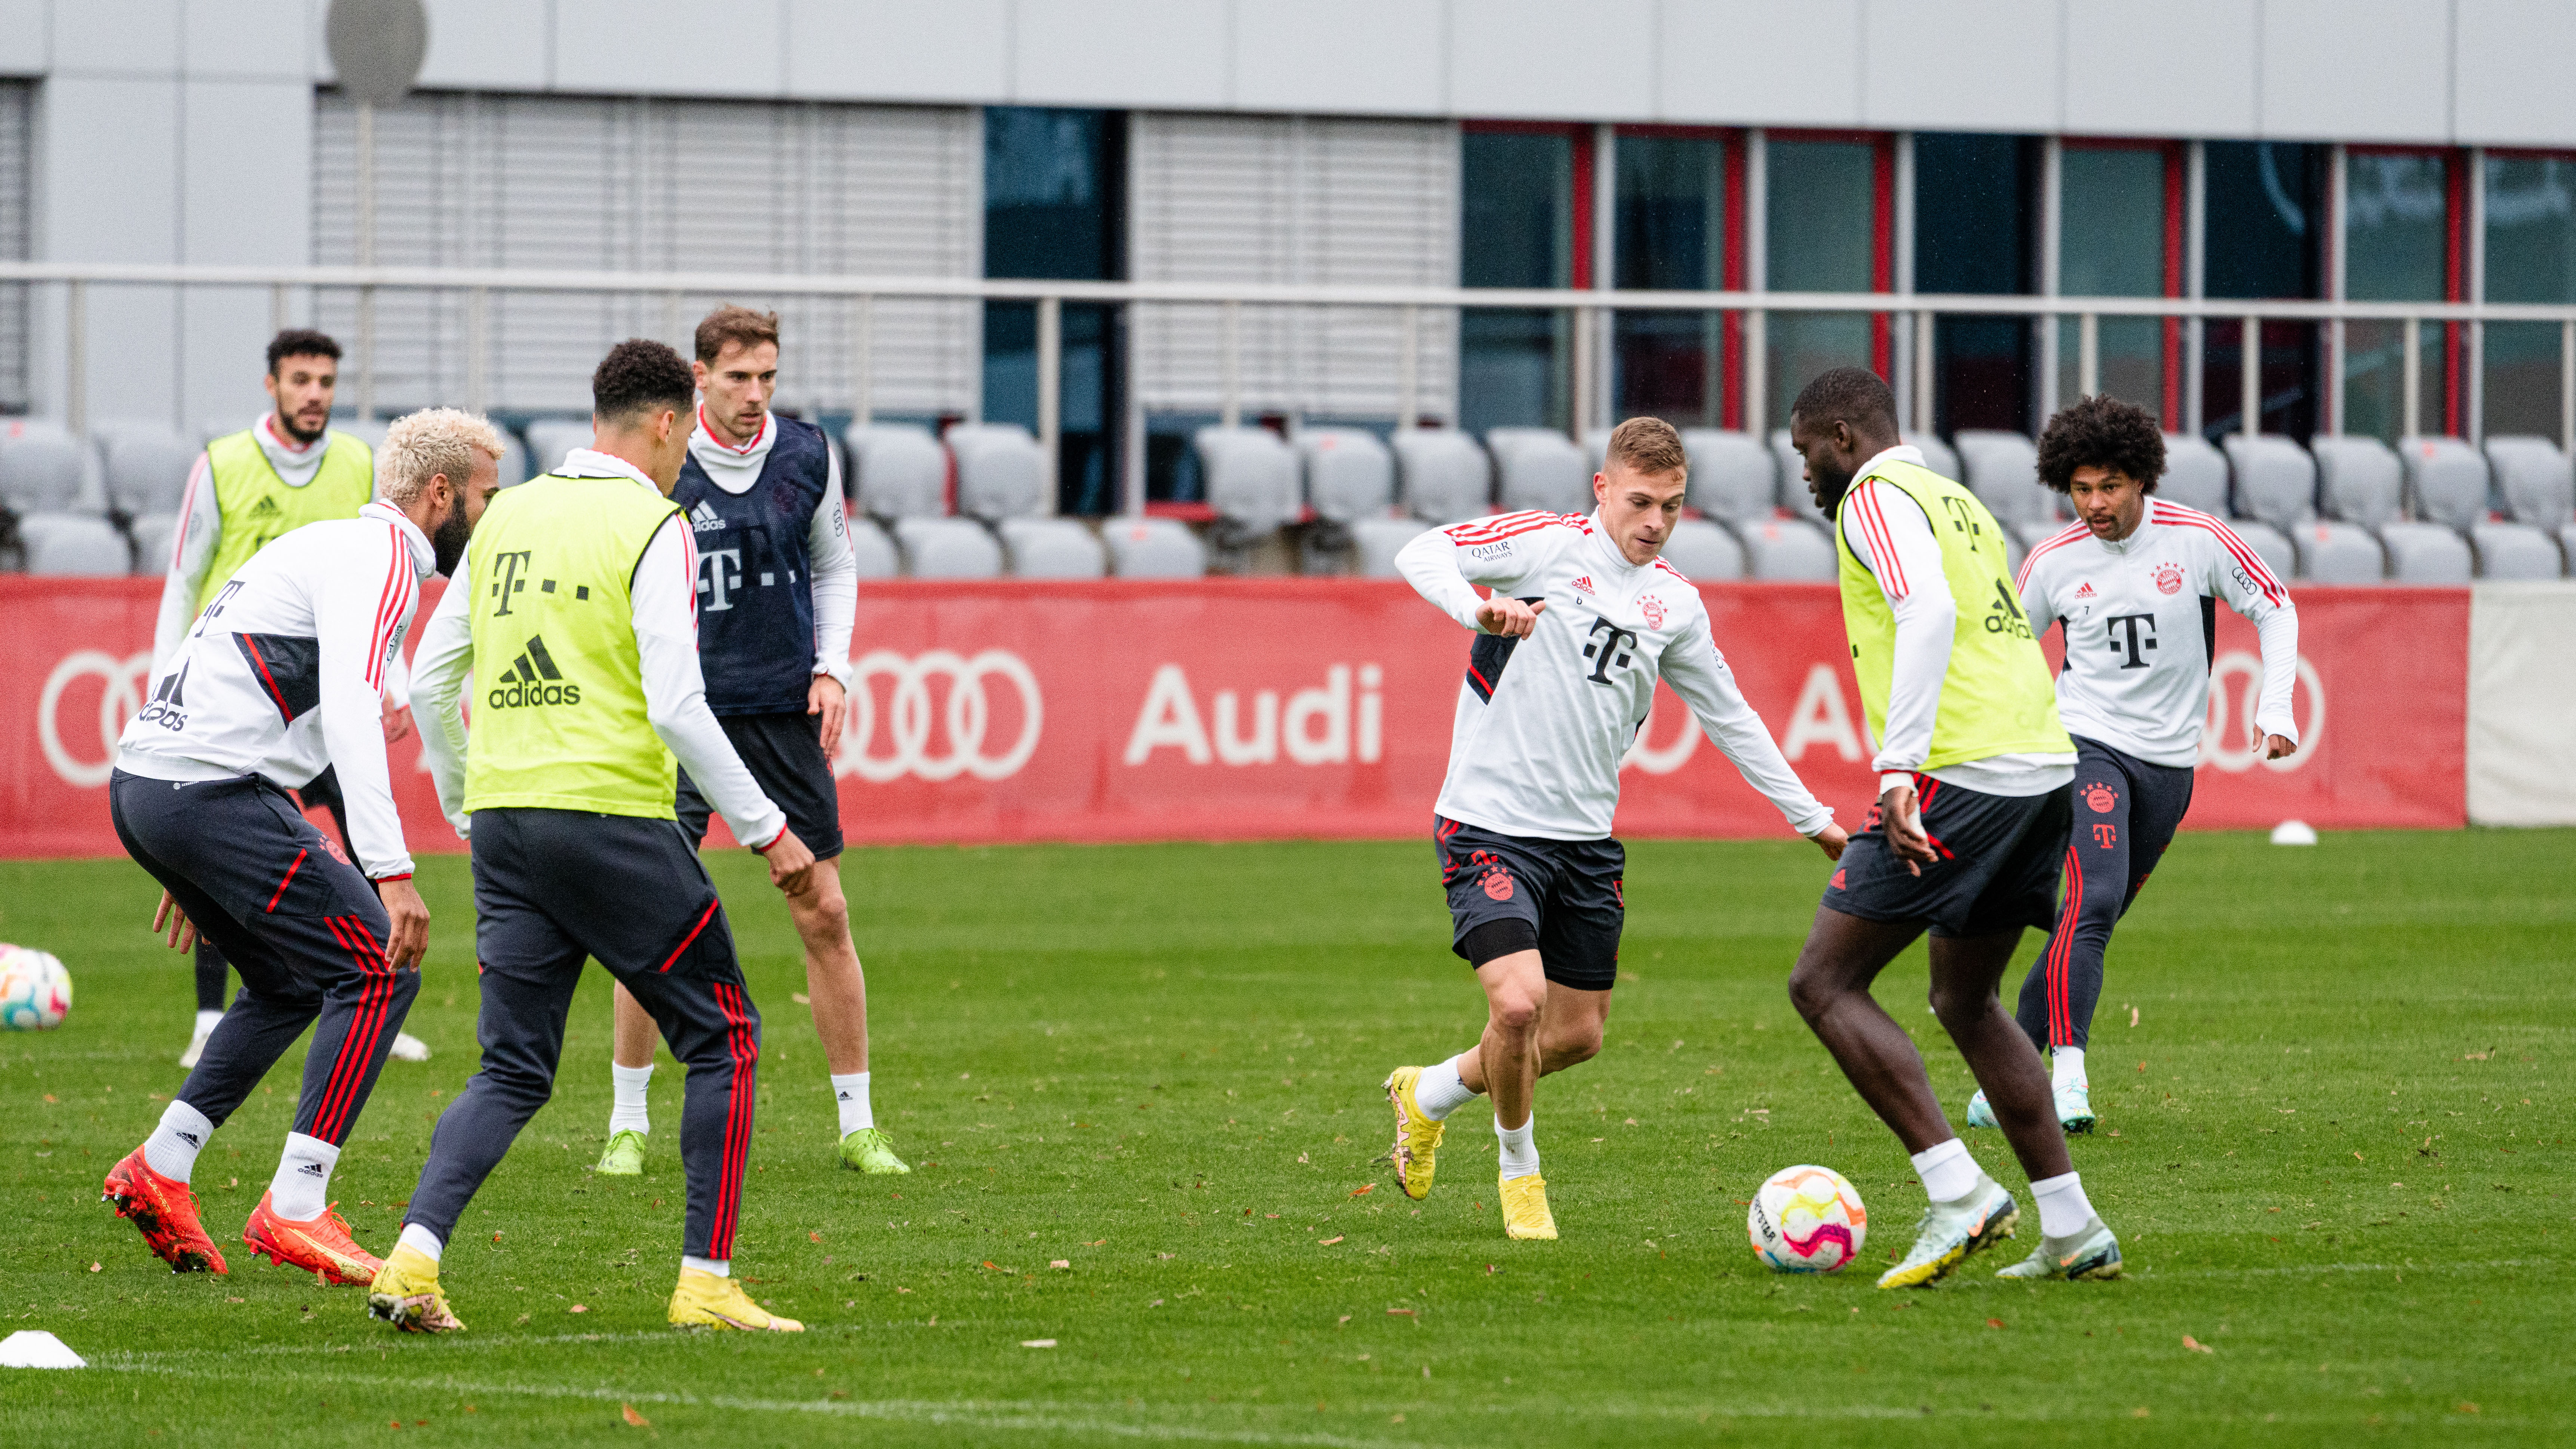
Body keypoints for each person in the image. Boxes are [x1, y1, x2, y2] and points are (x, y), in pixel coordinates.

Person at [380, 340, 817, 1336]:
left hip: (507, 824)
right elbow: (676, 702)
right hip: (610, 818)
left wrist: (465, 804)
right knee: (726, 1036)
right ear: (669, 424)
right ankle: (706, 1282)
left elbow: (429, 681)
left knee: (513, 1067)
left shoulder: (509, 514)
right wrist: (768, 830)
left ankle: (413, 1260)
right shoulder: (654, 522)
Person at [1381, 417, 1848, 1241]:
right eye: (1640, 502)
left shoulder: (1674, 602)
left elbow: (1730, 716)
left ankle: (1429, 1094)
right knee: (1518, 1008)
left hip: (1586, 841)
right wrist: (1476, 608)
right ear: (1602, 490)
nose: (1655, 522)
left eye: (1671, 506)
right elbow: (1420, 551)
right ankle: (1520, 1175)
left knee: (1575, 1036)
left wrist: (1813, 822)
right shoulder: (1544, 546)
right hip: (1488, 822)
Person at [103, 407, 503, 1284]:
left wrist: (191, 852)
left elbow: (254, 691)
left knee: (287, 984)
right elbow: (357, 711)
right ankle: (295, 1204)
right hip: (203, 792)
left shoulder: (330, 546)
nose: (492, 511)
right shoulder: (389, 560)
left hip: (154, 784)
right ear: (441, 495)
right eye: (487, 493)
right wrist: (391, 873)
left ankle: (162, 1167)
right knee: (380, 967)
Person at [1782, 367, 2119, 1287]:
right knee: (1963, 1000)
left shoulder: (1874, 498)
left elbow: (1925, 611)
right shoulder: (1952, 496)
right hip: (2041, 763)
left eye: (1807, 450)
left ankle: (1958, 1193)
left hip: (1961, 771)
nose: (1805, 471)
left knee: (1823, 983)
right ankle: (2073, 1226)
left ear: (1843, 437)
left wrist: (1898, 769)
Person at [594, 306, 903, 1179]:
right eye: (738, 378)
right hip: (679, 717)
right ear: (698, 379)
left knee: (826, 912)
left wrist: (831, 667)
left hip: (779, 716)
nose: (755, 394)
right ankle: (627, 1123)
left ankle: (859, 1125)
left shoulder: (807, 454)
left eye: (767, 375)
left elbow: (834, 564)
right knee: (648, 920)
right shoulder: (660, 462)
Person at [1962, 395, 2299, 1135]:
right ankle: (2068, 1081)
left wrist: (2274, 708)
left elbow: (2275, 606)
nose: (2094, 504)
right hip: (2082, 747)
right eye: (2080, 489)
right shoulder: (2052, 562)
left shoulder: (2196, 540)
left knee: (2086, 917)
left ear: (2141, 478)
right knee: (2095, 898)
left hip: (2169, 767)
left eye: (2108, 486)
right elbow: (2012, 658)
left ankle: (2005, 1074)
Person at [154, 328, 429, 1069]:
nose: (315, 394)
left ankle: (376, 989)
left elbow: (382, 586)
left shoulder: (358, 466)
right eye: (301, 379)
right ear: (271, 385)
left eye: (326, 381)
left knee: (362, 827)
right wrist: (163, 696)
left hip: (319, 698)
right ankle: (211, 1016)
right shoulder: (222, 465)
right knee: (218, 840)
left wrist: (392, 681)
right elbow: (184, 580)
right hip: (236, 702)